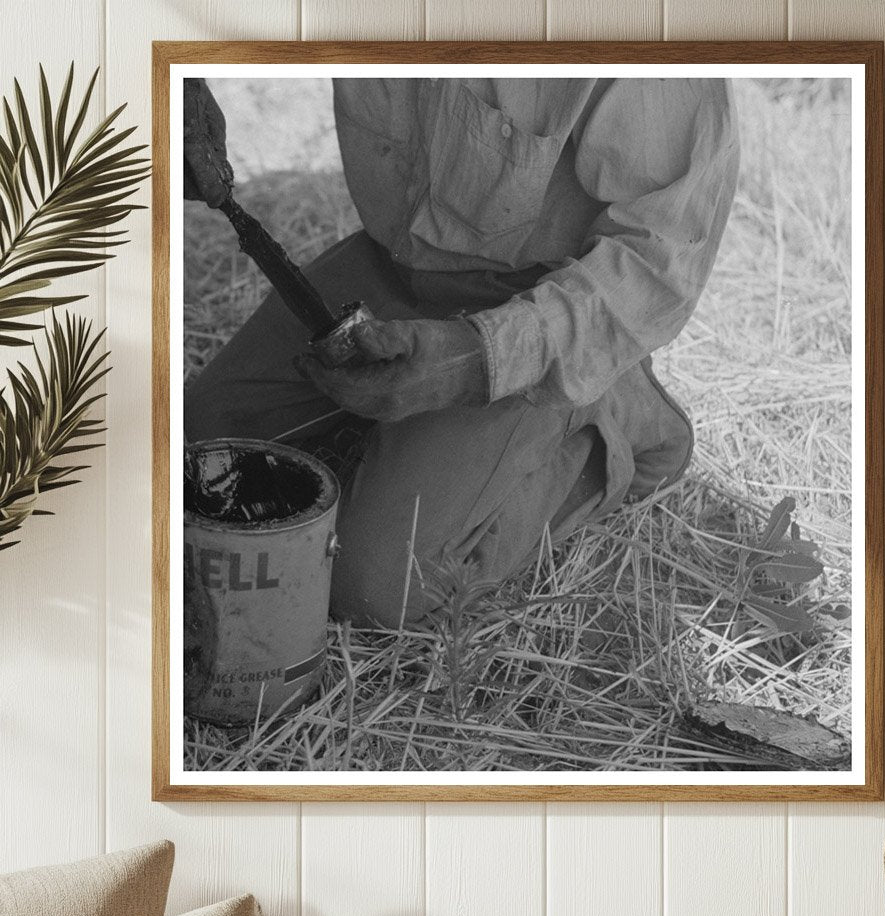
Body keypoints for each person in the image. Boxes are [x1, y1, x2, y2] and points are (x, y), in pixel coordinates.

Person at [184, 77, 739, 628]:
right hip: (390, 263)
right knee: (195, 443)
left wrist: (475, 361)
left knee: (378, 588)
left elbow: (661, 259)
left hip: (537, 303)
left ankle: (612, 411)